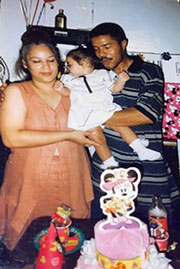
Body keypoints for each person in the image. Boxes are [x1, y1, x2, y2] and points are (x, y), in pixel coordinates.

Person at [0, 28, 98, 251]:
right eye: (37, 61)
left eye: (51, 60)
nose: (46, 67)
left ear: (59, 62)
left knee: (73, 242)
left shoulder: (74, 91)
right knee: (31, 243)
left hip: (73, 174)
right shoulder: (17, 92)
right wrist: (69, 135)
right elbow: (11, 137)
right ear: (25, 64)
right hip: (30, 176)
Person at [88, 22, 180, 225]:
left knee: (152, 230)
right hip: (106, 170)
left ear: (123, 44)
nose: (101, 54)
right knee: (106, 229)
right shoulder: (97, 75)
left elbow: (145, 114)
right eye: (96, 49)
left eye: (107, 47)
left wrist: (93, 116)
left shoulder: (149, 72)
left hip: (146, 170)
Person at [54, 46, 161, 170]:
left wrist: (120, 81)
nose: (67, 68)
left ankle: (140, 149)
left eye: (70, 64)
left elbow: (114, 89)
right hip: (85, 113)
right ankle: (110, 164)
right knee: (96, 137)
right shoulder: (69, 78)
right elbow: (67, 92)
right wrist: (60, 89)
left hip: (104, 109)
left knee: (121, 125)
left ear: (82, 64)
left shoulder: (102, 74)